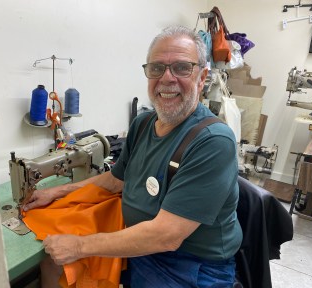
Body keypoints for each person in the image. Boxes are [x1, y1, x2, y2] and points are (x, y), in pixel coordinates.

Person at [23, 25, 243, 288]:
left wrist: (80, 245)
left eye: (182, 68)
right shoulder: (143, 124)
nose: (167, 78)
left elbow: (166, 236)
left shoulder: (212, 142)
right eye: (157, 68)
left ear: (202, 76)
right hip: (139, 248)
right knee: (56, 267)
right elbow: (116, 181)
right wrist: (58, 192)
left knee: (74, 260)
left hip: (188, 266)